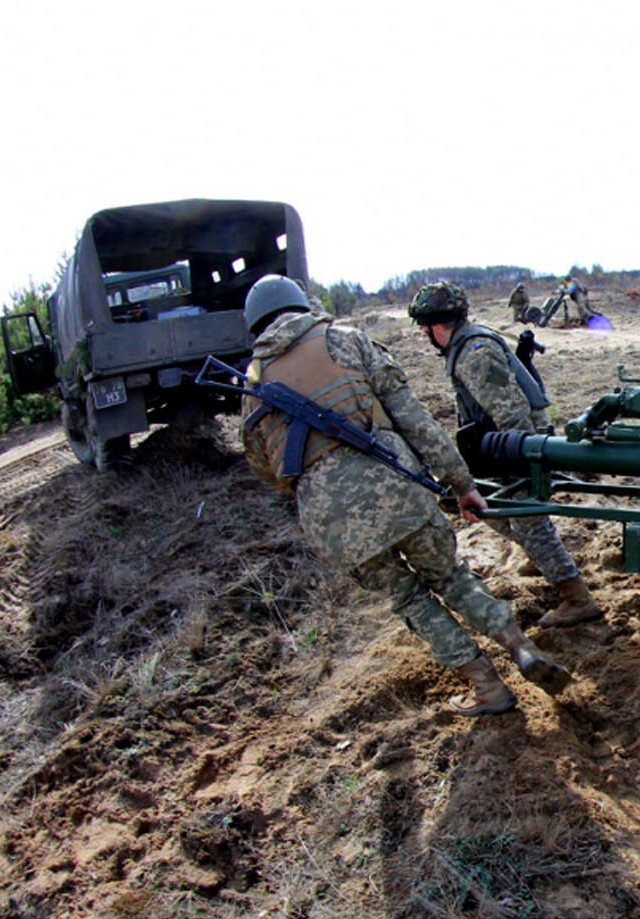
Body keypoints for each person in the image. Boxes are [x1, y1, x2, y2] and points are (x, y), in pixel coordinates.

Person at [237, 274, 572, 716]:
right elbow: (416, 421)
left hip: (332, 521)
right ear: (300, 305)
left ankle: (487, 686)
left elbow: (266, 466)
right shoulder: (347, 341)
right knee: (451, 576)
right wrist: (462, 485)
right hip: (401, 490)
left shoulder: (254, 379)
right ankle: (522, 648)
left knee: (410, 598)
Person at [407, 280, 604, 628]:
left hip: (516, 443)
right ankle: (543, 557)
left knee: (527, 520)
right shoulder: (466, 345)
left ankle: (578, 599)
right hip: (502, 443)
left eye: (425, 327)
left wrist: (520, 461)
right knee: (493, 509)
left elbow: (511, 412)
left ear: (437, 324)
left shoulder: (473, 352)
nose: (424, 334)